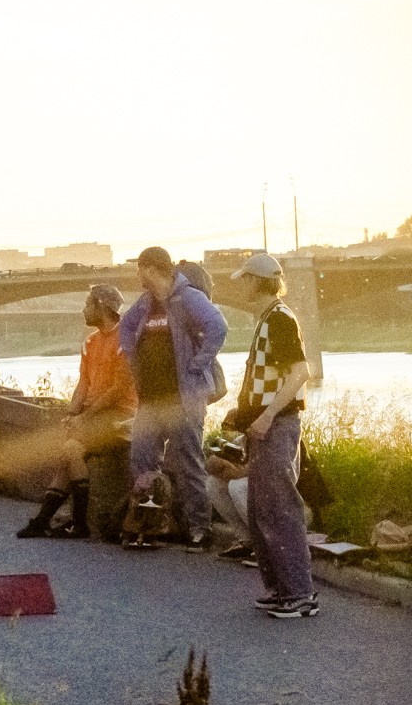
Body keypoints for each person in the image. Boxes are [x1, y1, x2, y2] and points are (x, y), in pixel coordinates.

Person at [225, 253, 317, 619]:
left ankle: (300, 594)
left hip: (276, 426)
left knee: (279, 508)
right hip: (266, 424)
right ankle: (281, 590)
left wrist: (265, 416)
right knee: (262, 509)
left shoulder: (278, 319)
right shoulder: (268, 318)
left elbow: (300, 372)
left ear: (255, 281)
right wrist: (244, 412)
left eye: (244, 279)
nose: (240, 285)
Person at [118, 246, 227, 549]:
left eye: (140, 269)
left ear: (151, 269)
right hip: (151, 400)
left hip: (184, 399)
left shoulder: (187, 297)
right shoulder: (146, 303)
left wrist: (199, 363)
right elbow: (125, 327)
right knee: (142, 461)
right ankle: (148, 526)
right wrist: (130, 356)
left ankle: (200, 529)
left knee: (188, 463)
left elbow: (218, 326)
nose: (138, 275)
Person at [20, 284, 136, 538]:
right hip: (94, 416)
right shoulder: (90, 342)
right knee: (66, 454)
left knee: (71, 450)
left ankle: (79, 522)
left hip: (120, 416)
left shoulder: (124, 340)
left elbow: (119, 389)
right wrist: (72, 415)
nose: (83, 310)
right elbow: (83, 384)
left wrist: (85, 417)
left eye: (87, 304)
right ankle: (42, 520)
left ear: (101, 306)